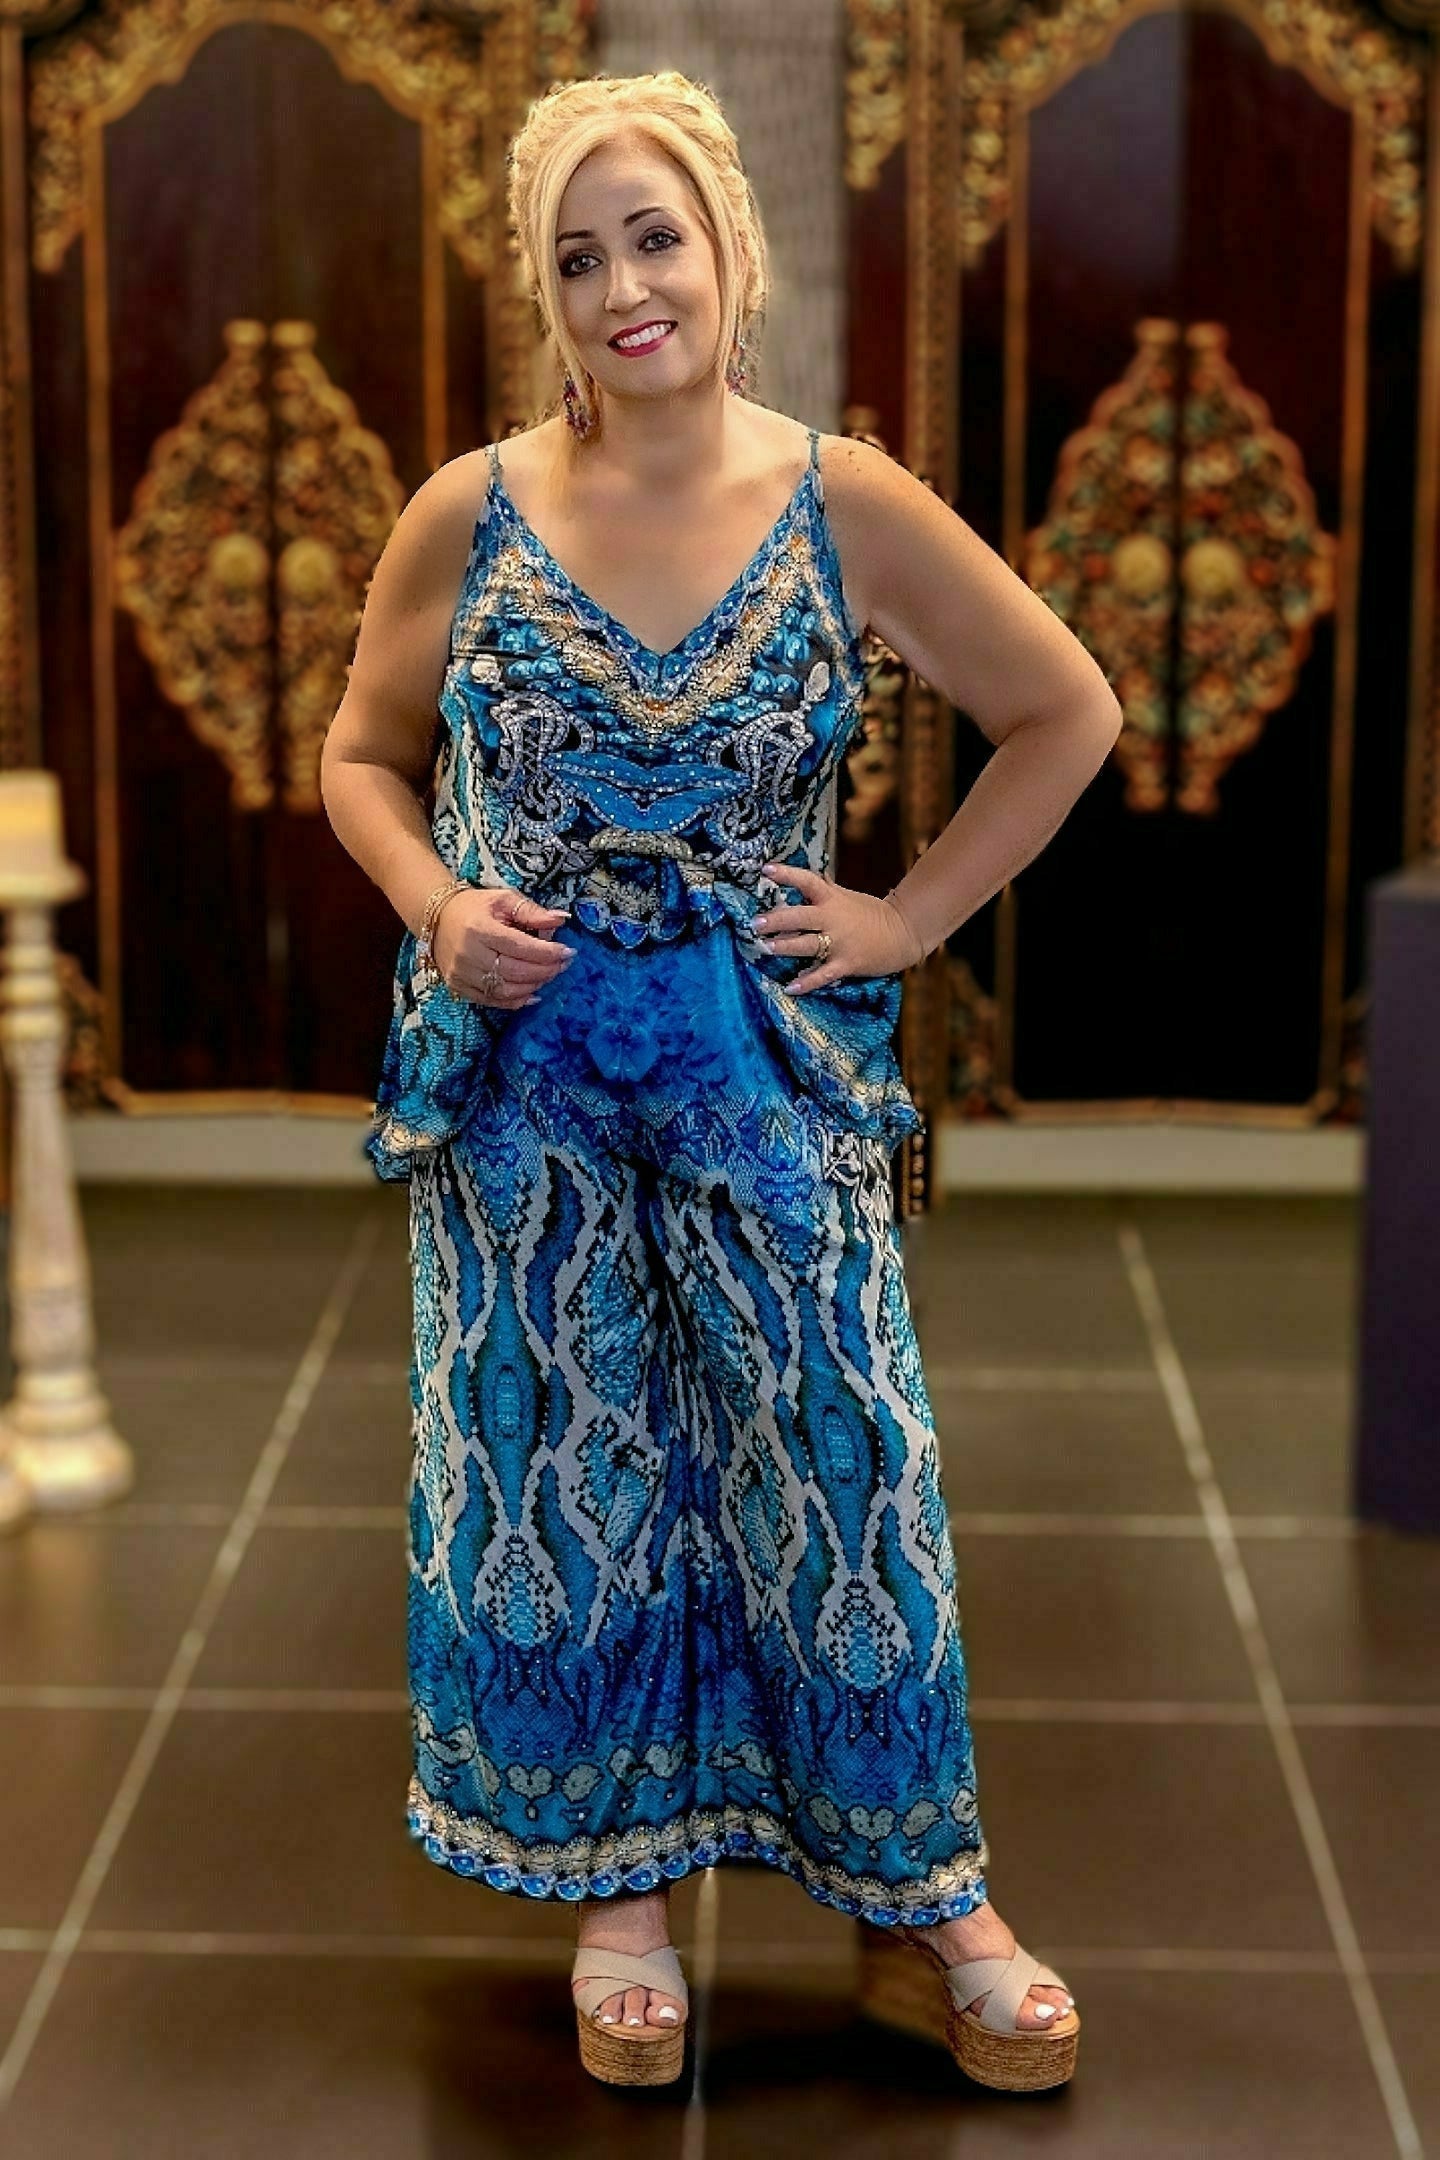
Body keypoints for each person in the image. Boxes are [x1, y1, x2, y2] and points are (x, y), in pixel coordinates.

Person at [321, 69, 1120, 2096]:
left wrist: (908, 917)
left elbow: (1066, 708)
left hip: (767, 1079)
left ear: (729, 251)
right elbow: (359, 755)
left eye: (654, 238)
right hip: (527, 1099)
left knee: (841, 1466)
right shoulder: (469, 510)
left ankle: (930, 1899)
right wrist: (434, 903)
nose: (625, 290)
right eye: (579, 258)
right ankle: (619, 1900)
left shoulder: (849, 502)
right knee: (574, 1480)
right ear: (545, 294)